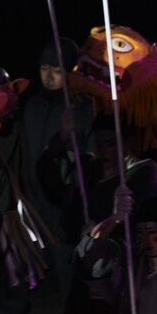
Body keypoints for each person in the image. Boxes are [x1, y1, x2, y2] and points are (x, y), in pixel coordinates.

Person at [19, 39, 93, 294]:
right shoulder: (33, 106)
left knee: (73, 277)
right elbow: (28, 154)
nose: (49, 76)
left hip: (66, 207)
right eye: (44, 69)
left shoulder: (83, 108)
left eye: (57, 70)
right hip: (36, 203)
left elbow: (87, 159)